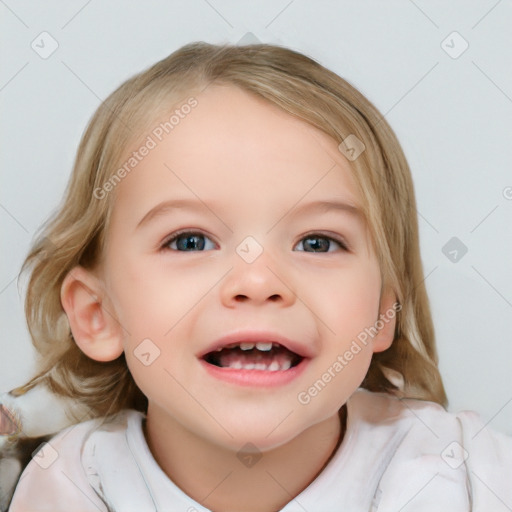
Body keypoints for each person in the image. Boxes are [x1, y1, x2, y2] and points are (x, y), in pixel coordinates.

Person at [4, 41, 512, 511]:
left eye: (318, 243)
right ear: (98, 314)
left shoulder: (469, 476)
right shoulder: (66, 485)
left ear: (383, 312)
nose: (258, 281)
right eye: (189, 241)